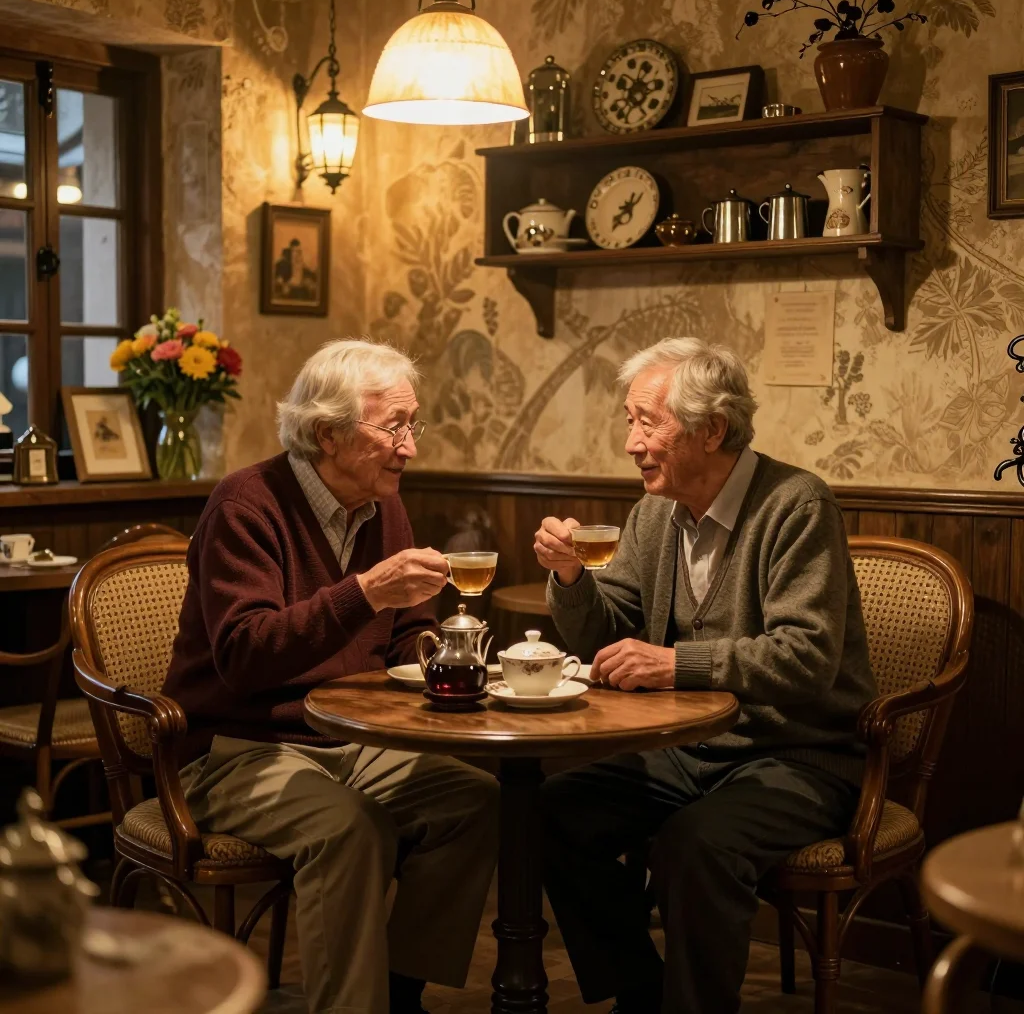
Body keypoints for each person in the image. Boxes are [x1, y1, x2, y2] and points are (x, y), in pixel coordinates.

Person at [532, 337, 877, 1014]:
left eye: (646, 422)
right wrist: (571, 577)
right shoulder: (654, 513)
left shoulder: (797, 504)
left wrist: (674, 665)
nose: (632, 442)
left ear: (712, 429)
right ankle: (642, 992)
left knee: (695, 845)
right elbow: (611, 638)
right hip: (685, 750)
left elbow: (805, 658)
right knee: (554, 812)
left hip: (796, 756)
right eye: (631, 421)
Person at [164, 340, 498, 1014]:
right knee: (350, 829)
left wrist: (439, 651)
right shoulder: (246, 505)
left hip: (347, 740)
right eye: (394, 427)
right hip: (234, 748)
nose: (409, 446)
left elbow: (406, 632)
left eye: (414, 424)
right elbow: (246, 655)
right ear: (327, 433)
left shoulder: (384, 504)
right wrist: (365, 592)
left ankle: (400, 992)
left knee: (475, 800)